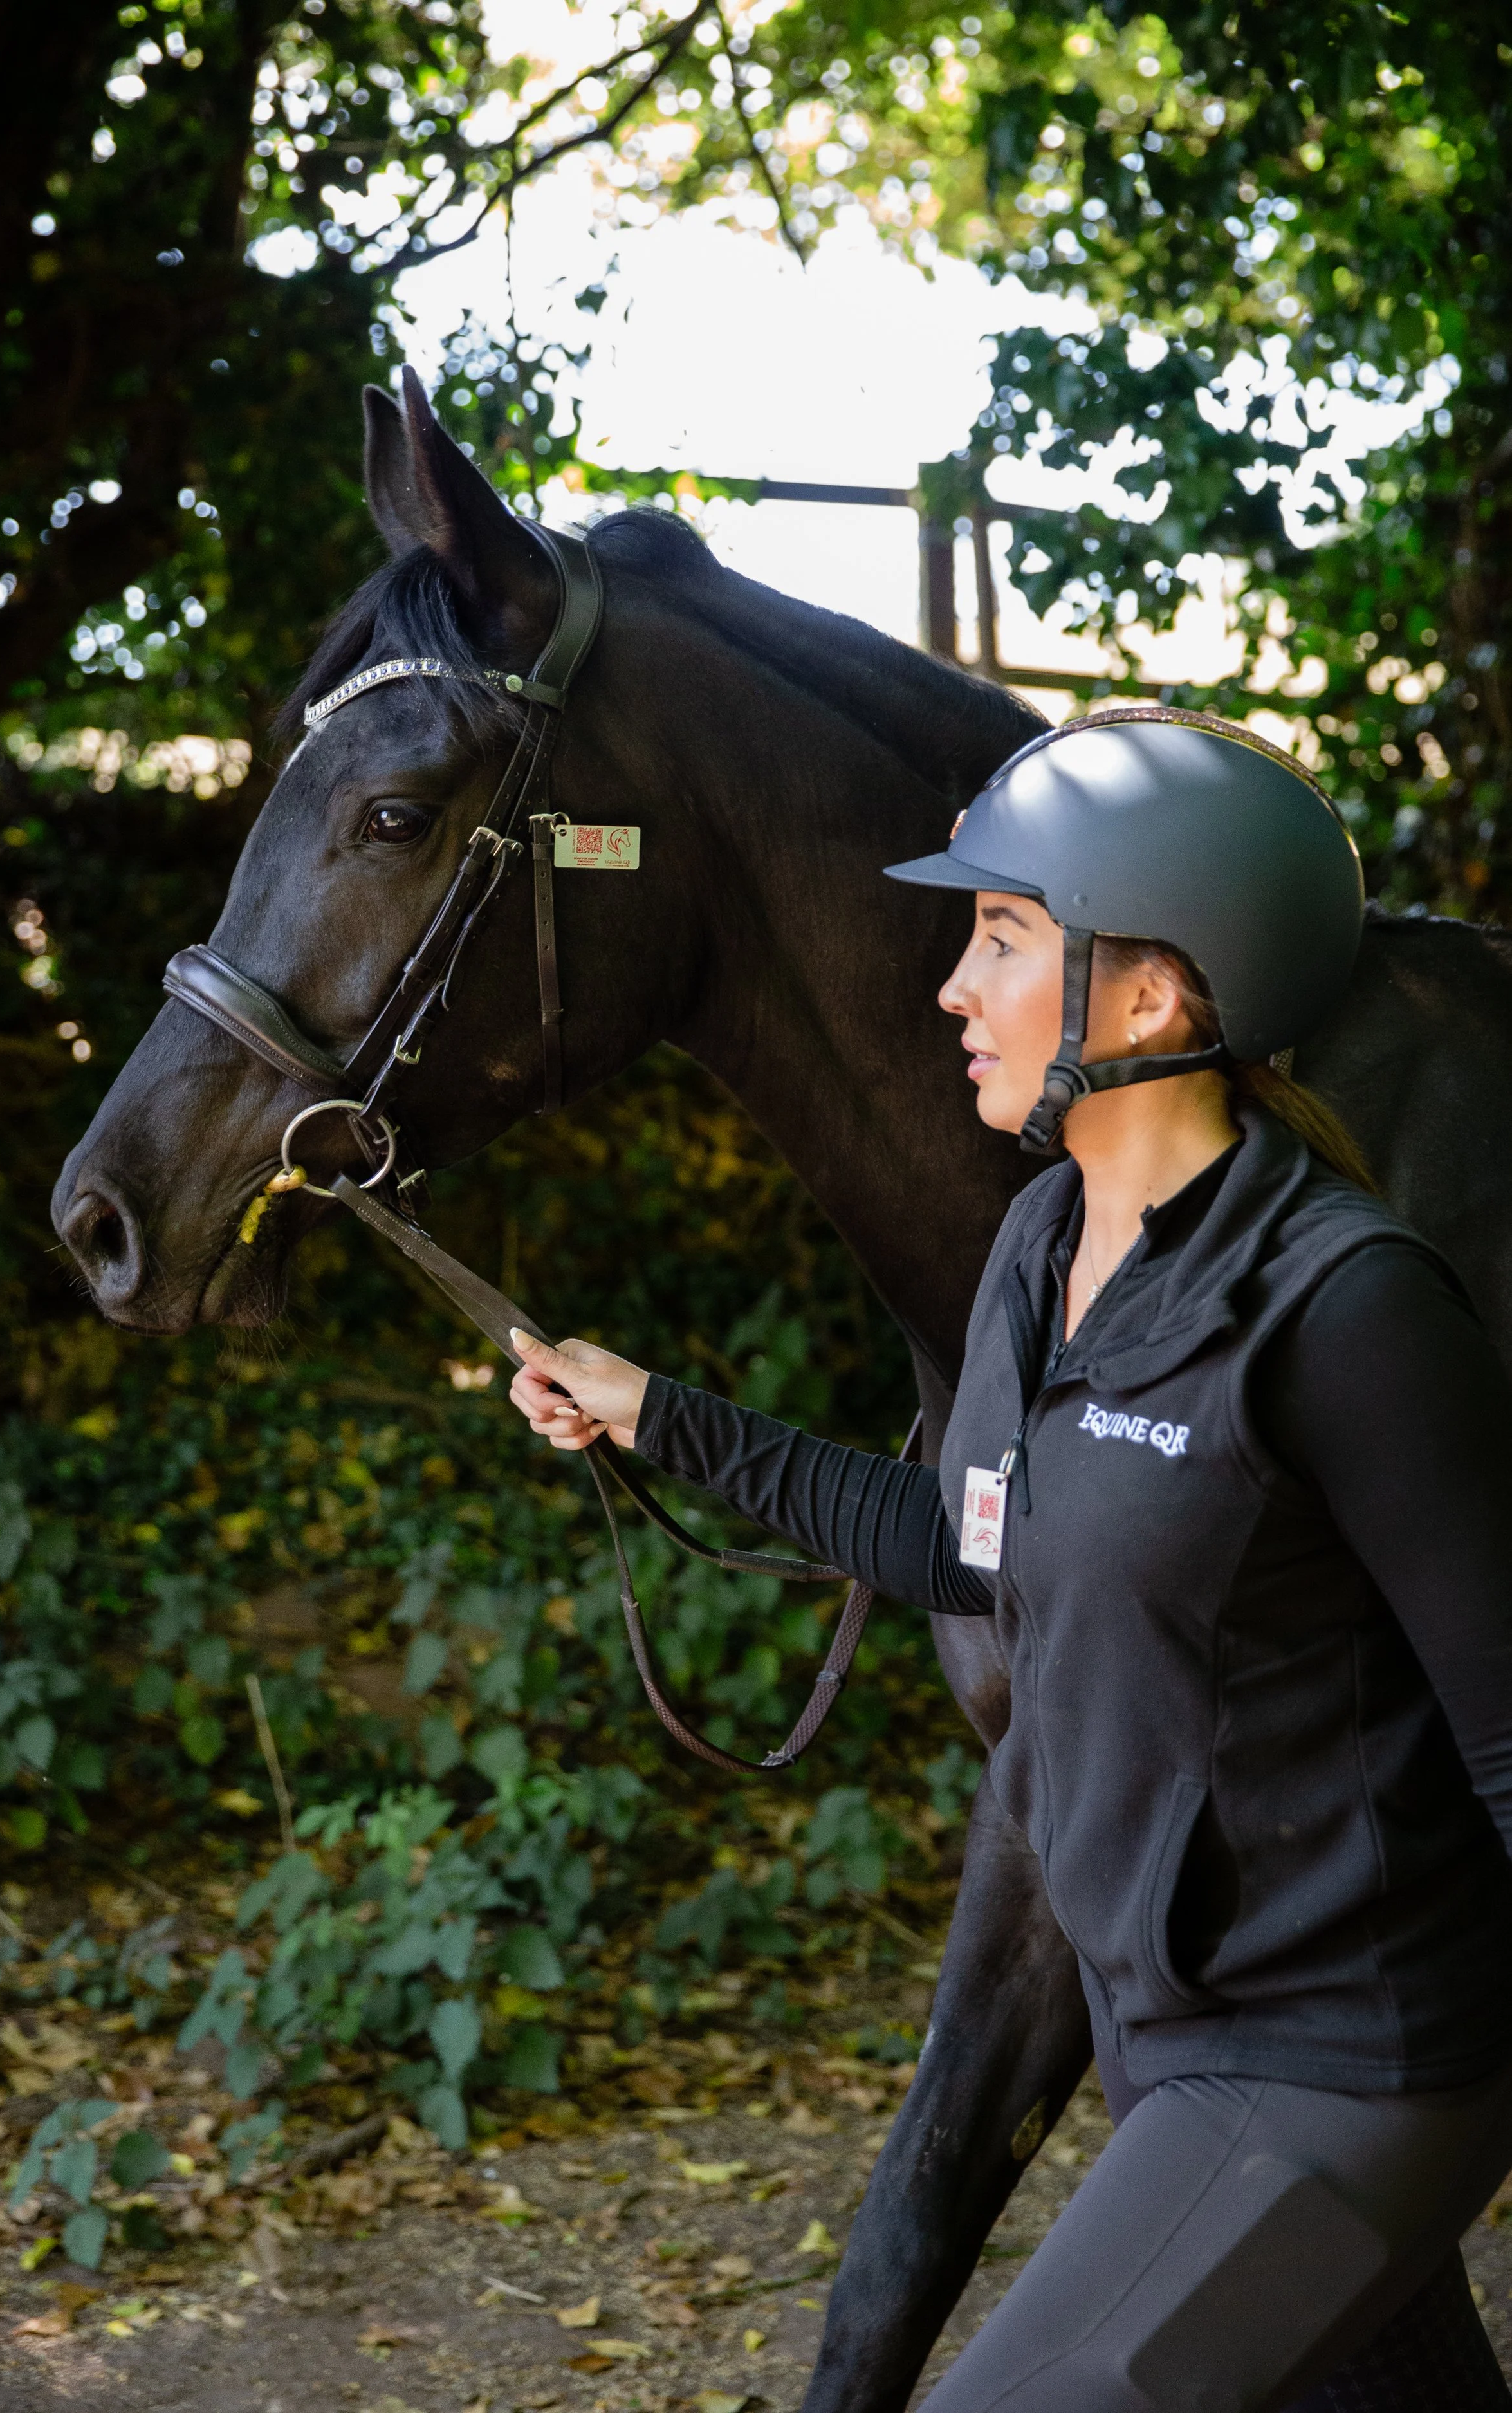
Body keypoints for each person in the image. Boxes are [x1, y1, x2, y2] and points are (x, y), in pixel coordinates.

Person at [506, 705, 1512, 2412]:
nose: (946, 987)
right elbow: (965, 1542)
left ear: (1155, 994)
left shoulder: (1343, 1307)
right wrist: (653, 1411)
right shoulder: (1045, 1241)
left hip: (1347, 2055)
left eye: (998, 936)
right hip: (1165, 2021)